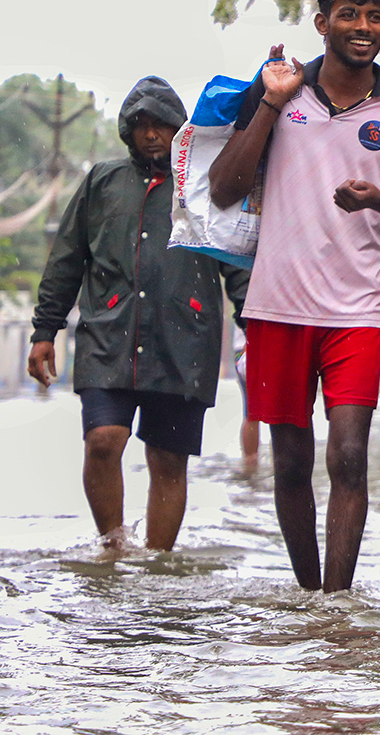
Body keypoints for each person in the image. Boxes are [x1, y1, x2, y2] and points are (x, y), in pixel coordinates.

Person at [207, 0, 380, 593]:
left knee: (348, 455)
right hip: (275, 305)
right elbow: (223, 188)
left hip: (357, 309)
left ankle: (337, 605)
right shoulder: (278, 92)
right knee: (290, 464)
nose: (363, 28)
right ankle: (308, 595)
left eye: (375, 17)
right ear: (322, 23)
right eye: (349, 15)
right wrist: (269, 100)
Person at [27, 76, 250, 552]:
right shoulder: (101, 182)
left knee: (168, 459)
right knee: (104, 439)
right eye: (141, 126)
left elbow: (236, 262)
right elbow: (67, 259)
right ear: (128, 132)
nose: (151, 135)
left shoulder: (204, 186)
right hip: (108, 336)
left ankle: (157, 564)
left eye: (162, 125)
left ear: (180, 129)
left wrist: (254, 324)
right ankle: (112, 548)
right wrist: (44, 330)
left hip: (184, 341)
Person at [231, 326, 261, 471]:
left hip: (244, 347)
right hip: (246, 347)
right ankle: (251, 464)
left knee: (251, 412)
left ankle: (250, 465)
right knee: (252, 412)